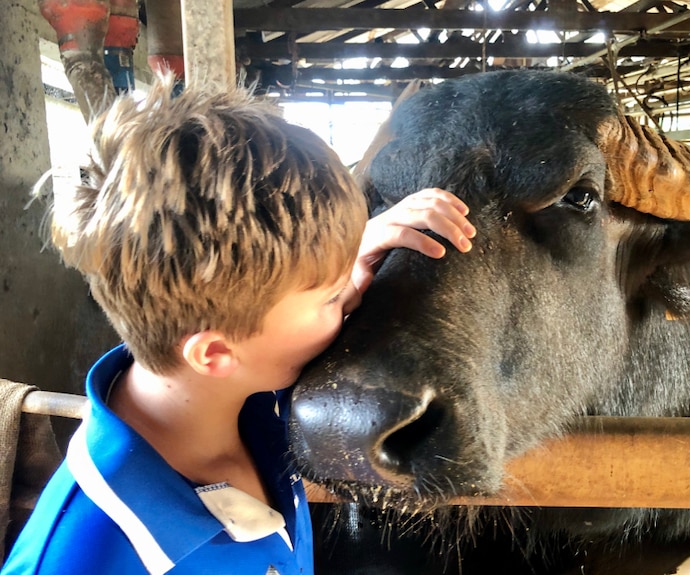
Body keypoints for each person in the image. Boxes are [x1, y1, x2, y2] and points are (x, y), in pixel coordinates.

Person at [1, 78, 476, 575]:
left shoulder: (247, 391)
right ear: (215, 355)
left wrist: (339, 263)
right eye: (332, 297)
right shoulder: (85, 557)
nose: (352, 295)